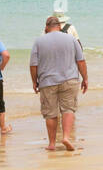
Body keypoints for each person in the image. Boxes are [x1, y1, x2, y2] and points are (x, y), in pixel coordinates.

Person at [30, 15, 88, 151]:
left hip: (47, 82)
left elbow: (33, 64)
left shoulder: (39, 41)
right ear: (60, 27)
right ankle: (66, 137)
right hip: (70, 79)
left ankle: (51, 144)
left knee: (50, 113)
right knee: (68, 109)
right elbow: (81, 60)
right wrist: (85, 78)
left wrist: (34, 81)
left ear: (46, 27)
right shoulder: (71, 38)